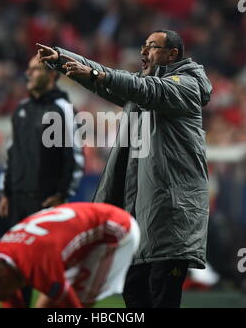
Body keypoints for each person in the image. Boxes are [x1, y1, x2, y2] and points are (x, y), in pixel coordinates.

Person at [36, 29, 213, 308]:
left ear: (172, 55)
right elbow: (109, 83)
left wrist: (98, 75)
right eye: (143, 46)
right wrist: (61, 59)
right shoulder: (143, 89)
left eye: (152, 47)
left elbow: (139, 87)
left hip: (171, 217)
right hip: (141, 217)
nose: (143, 52)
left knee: (162, 297)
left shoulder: (186, 86)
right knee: (134, 295)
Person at [0, 55, 85, 306]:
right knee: (14, 269)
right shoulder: (21, 109)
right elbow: (11, 153)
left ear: (53, 75)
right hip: (17, 201)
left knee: (46, 270)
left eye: (36, 69)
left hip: (45, 203)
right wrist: (5, 191)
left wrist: (62, 195)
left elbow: (74, 156)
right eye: (29, 69)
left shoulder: (63, 109)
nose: (29, 74)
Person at [0, 202, 140, 308]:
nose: (4, 299)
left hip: (115, 231)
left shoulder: (38, 262)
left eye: (0, 296)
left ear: (2, 276)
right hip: (82, 229)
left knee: (79, 300)